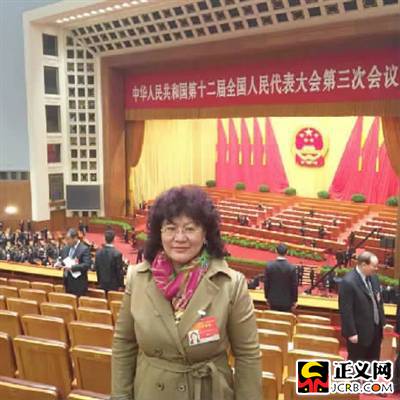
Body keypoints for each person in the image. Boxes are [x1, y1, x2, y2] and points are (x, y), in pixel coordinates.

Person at [112, 186, 262, 400]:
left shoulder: (230, 284)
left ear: (205, 233)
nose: (179, 238)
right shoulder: (138, 278)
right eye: (170, 228)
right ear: (159, 233)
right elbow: (124, 344)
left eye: (190, 229)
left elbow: (248, 355)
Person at [338, 251, 385, 361]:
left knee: (373, 364)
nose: (376, 269)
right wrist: (351, 333)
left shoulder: (374, 278)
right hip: (359, 333)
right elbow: (346, 310)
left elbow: (379, 302)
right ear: (363, 265)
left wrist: (382, 323)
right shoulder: (349, 282)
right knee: (356, 365)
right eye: (374, 266)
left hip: (375, 331)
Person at [264, 243, 298, 312]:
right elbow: (294, 286)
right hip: (287, 302)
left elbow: (266, 284)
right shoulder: (292, 268)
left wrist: (267, 297)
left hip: (273, 300)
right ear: (287, 252)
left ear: (276, 251)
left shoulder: (269, 266)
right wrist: (294, 300)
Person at [58, 228, 91, 296]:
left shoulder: (84, 249)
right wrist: (59, 264)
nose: (67, 241)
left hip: (78, 284)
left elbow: (87, 265)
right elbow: (62, 260)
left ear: (75, 238)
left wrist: (72, 267)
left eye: (68, 239)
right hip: (67, 282)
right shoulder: (66, 248)